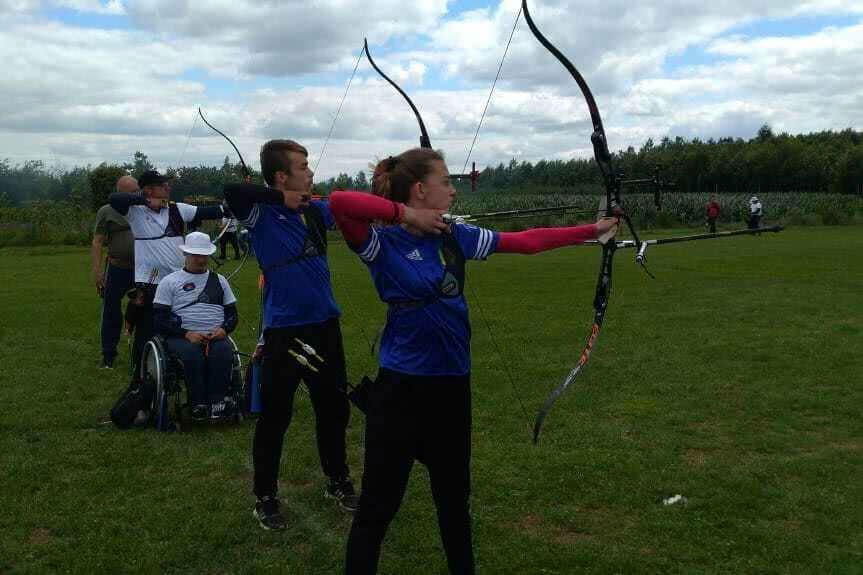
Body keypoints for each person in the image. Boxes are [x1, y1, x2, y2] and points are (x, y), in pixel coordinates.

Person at [329, 148, 618, 575]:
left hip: (451, 388)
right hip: (400, 390)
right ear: (420, 189)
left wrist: (591, 231)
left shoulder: (455, 237)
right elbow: (339, 202)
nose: (453, 190)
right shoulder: (382, 244)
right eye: (446, 181)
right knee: (377, 506)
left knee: (453, 503)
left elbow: (525, 242)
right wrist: (407, 216)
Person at [223, 139, 358, 531]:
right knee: (275, 416)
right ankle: (265, 497)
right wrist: (279, 198)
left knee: (333, 409)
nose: (311, 172)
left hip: (325, 325)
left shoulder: (314, 210)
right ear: (281, 177)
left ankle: (338, 479)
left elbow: (353, 208)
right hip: (284, 330)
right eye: (302, 167)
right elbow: (232, 192)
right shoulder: (261, 213)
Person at [109, 170, 224, 377]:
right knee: (147, 332)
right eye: (163, 185)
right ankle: (141, 378)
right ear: (149, 189)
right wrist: (145, 200)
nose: (168, 188)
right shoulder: (135, 211)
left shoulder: (177, 209)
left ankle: (174, 370)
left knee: (179, 327)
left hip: (178, 283)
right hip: (150, 284)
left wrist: (231, 208)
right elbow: (114, 199)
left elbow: (208, 212)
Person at [153, 232, 239, 419]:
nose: (201, 260)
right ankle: (197, 403)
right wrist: (186, 333)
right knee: (192, 354)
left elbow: (232, 314)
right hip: (181, 337)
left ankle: (217, 402)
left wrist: (224, 329)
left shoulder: (220, 281)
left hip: (215, 336)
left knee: (223, 351)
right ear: (186, 254)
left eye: (204, 255)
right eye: (196, 255)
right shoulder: (169, 282)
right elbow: (159, 319)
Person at [92, 175, 138, 368]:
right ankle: (108, 354)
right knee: (111, 311)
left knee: (145, 308)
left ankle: (144, 351)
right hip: (117, 268)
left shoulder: (142, 209)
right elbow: (98, 241)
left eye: (137, 190)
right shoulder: (106, 211)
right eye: (132, 192)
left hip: (142, 269)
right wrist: (97, 272)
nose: (137, 194)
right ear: (120, 193)